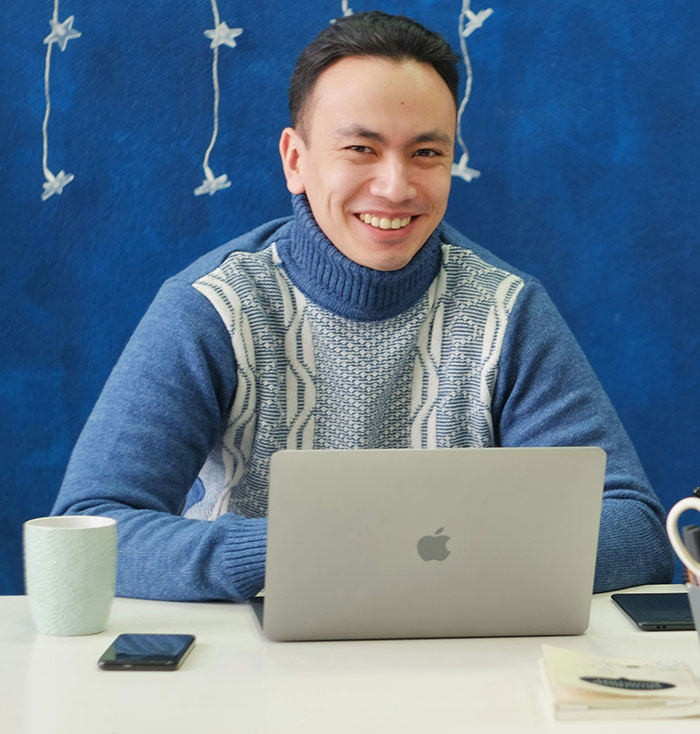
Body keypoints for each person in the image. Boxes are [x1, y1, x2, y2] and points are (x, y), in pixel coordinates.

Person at [53, 11, 674, 601]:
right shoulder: (213, 306)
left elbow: (634, 528)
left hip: (459, 649)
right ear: (296, 161)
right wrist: (298, 552)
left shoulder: (507, 311)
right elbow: (92, 530)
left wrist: (407, 554)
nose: (396, 187)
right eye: (361, 149)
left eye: (426, 153)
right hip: (256, 653)